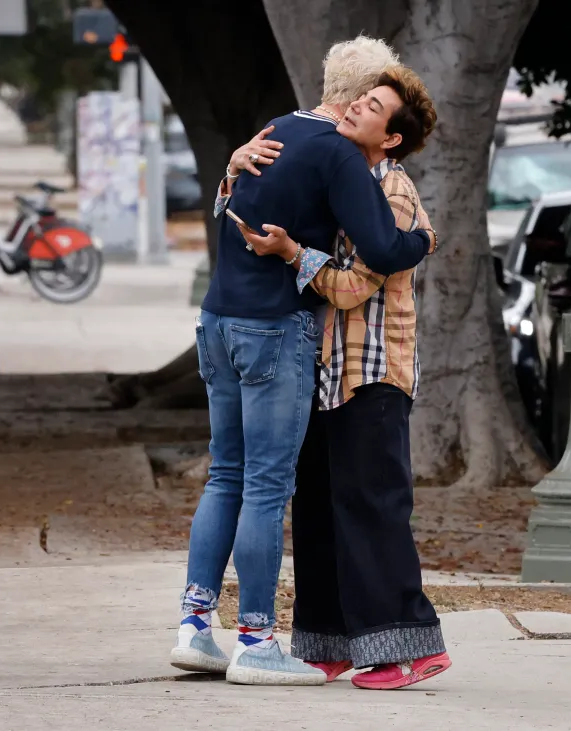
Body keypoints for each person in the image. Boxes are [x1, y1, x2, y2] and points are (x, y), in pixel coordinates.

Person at [169, 35, 436, 686]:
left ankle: (196, 628)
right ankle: (257, 639)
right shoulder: (340, 156)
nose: (367, 110)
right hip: (272, 330)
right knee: (264, 485)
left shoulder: (275, 130)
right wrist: (422, 240)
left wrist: (233, 167)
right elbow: (381, 247)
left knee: (224, 475)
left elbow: (230, 201)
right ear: (360, 96)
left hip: (216, 319)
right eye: (373, 96)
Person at [236, 66, 450, 690]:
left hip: (374, 371)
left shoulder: (393, 192)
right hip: (325, 370)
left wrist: (294, 256)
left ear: (391, 138)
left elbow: (357, 286)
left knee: (373, 508)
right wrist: (238, 159)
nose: (357, 107)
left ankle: (410, 649)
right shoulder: (343, 175)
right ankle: (328, 644)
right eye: (362, 98)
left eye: (374, 106)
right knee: (320, 509)